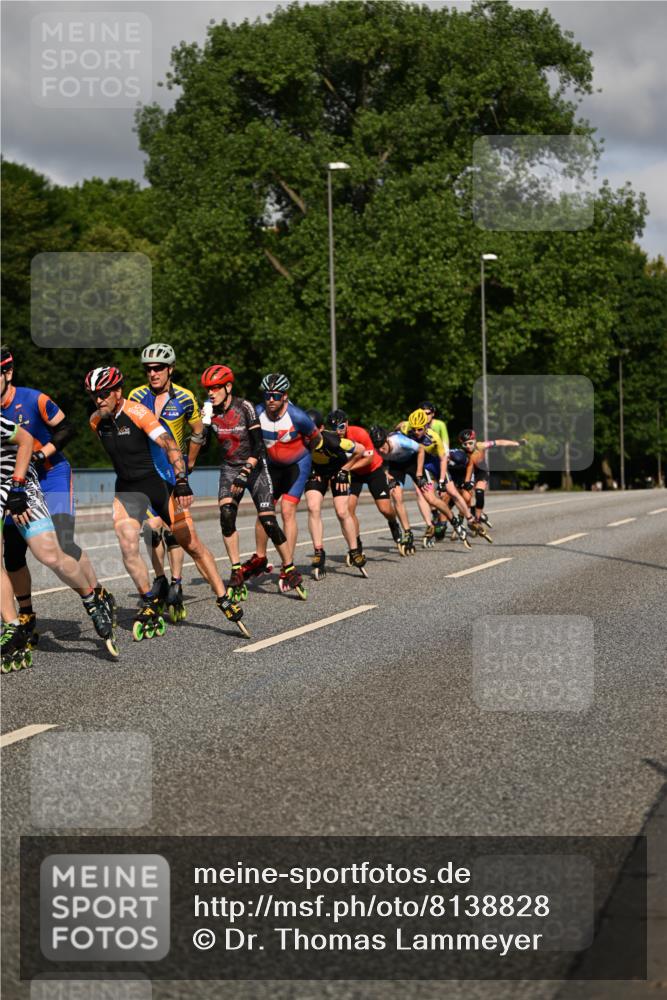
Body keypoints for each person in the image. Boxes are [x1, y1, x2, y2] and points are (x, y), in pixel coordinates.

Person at [85, 365, 248, 638]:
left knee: (191, 543)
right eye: (93, 395)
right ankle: (149, 599)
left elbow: (170, 444)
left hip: (158, 485)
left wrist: (181, 480)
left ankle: (223, 597)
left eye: (103, 393)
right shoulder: (95, 421)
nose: (98, 399)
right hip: (126, 488)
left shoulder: (139, 413)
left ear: (117, 391)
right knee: (126, 541)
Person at [0, 346, 114, 644]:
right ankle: (26, 615)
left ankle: (96, 592)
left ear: (7, 373)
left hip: (52, 474)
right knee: (12, 552)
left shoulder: (32, 398)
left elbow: (67, 428)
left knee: (62, 541)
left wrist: (40, 455)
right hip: (16, 483)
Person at [0, 413, 117, 669]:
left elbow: (27, 441)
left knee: (49, 555)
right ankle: (13, 627)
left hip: (16, 482)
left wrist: (18, 487)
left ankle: (91, 599)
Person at [197, 365, 306, 600]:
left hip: (255, 466)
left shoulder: (244, 407)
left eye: (215, 387)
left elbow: (258, 445)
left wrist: (246, 470)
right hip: (229, 467)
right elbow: (204, 447)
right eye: (208, 389)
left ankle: (289, 568)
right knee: (226, 514)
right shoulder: (207, 410)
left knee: (268, 521)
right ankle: (236, 570)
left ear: (228, 387)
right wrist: (200, 431)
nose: (211, 393)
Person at [128, 342, 206, 622]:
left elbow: (198, 431)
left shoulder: (185, 398)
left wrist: (190, 462)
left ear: (170, 369)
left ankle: (176, 581)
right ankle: (160, 580)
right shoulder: (136, 395)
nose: (153, 373)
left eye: (158, 368)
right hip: (147, 474)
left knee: (174, 531)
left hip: (174, 474)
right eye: (148, 369)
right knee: (151, 528)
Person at [253, 373, 320, 582]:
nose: (270, 399)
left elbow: (316, 440)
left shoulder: (298, 417)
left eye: (275, 395)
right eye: (267, 395)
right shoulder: (257, 412)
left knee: (287, 510)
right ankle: (260, 557)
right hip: (273, 466)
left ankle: (287, 565)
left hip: (297, 466)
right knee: (264, 511)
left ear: (285, 396)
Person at [304, 409, 373, 578]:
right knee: (313, 508)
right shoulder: (300, 439)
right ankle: (319, 552)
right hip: (316, 471)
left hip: (337, 470)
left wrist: (345, 469)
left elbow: (362, 450)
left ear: (320, 429)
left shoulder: (333, 440)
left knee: (342, 512)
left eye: (312, 432)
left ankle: (354, 550)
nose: (309, 437)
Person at [326, 409, 402, 553]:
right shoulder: (330, 439)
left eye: (341, 427)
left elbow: (369, 458)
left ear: (347, 424)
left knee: (385, 509)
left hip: (372, 470)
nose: (338, 431)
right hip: (353, 474)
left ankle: (393, 522)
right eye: (334, 428)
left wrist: (346, 468)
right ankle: (357, 543)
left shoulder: (359, 433)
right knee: (348, 509)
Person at [397, 409, 477, 541]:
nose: (416, 432)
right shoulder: (407, 427)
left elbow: (443, 459)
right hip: (419, 463)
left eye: (419, 429)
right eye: (414, 429)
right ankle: (430, 524)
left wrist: (441, 480)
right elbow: (399, 427)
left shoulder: (434, 437)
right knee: (421, 492)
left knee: (451, 490)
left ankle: (469, 518)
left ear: (426, 427)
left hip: (434, 462)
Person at [459, 428, 526, 526]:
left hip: (482, 471)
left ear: (475, 441)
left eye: (470, 443)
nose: (468, 446)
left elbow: (500, 442)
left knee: (479, 492)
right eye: (465, 444)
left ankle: (477, 519)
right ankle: (465, 514)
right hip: (470, 473)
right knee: (466, 498)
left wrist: (517, 443)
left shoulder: (481, 445)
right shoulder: (461, 453)